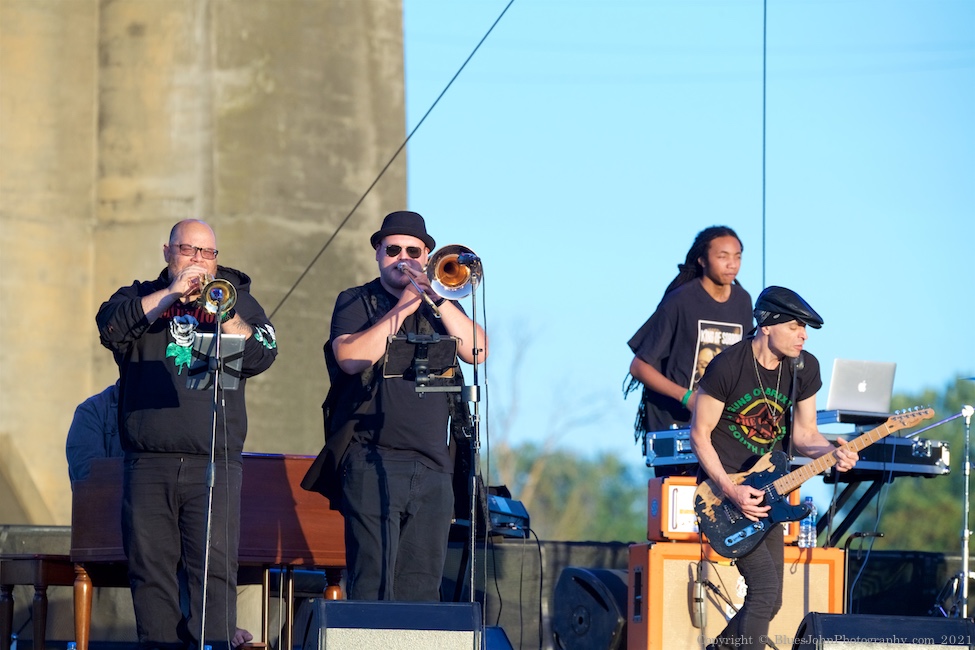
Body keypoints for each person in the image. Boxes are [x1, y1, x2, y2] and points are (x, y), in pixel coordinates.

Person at [96, 219, 277, 650]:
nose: (198, 260)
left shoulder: (239, 302)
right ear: (167, 252)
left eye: (207, 253)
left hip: (213, 459)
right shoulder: (136, 296)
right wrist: (172, 293)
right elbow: (111, 328)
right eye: (188, 250)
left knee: (214, 571)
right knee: (150, 571)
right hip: (149, 460)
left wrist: (226, 313)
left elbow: (263, 354)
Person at [301, 210, 488, 601]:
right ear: (378, 254)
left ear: (427, 258)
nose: (403, 257)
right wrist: (403, 305)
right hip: (372, 460)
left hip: (435, 465)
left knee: (422, 588)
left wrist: (439, 299)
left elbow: (478, 350)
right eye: (393, 249)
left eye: (413, 251)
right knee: (372, 585)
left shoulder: (442, 308)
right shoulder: (356, 300)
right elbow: (351, 357)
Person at [689, 286, 858, 650]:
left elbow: (804, 435)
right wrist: (731, 490)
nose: (804, 335)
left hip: (771, 493)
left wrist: (832, 451)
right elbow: (699, 436)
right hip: (725, 496)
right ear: (767, 324)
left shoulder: (805, 367)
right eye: (796, 326)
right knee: (764, 591)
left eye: (806, 329)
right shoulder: (727, 366)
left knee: (773, 599)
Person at [64, 380, 256, 648]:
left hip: (184, 527)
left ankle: (214, 631)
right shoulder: (93, 412)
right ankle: (201, 632)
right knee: (165, 556)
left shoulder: (186, 413)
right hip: (124, 527)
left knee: (222, 564)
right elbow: (87, 480)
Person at [625, 226, 753, 461]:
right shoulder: (680, 300)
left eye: (737, 257)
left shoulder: (743, 301)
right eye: (722, 257)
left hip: (719, 429)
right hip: (674, 426)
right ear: (702, 260)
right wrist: (688, 398)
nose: (732, 264)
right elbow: (639, 366)